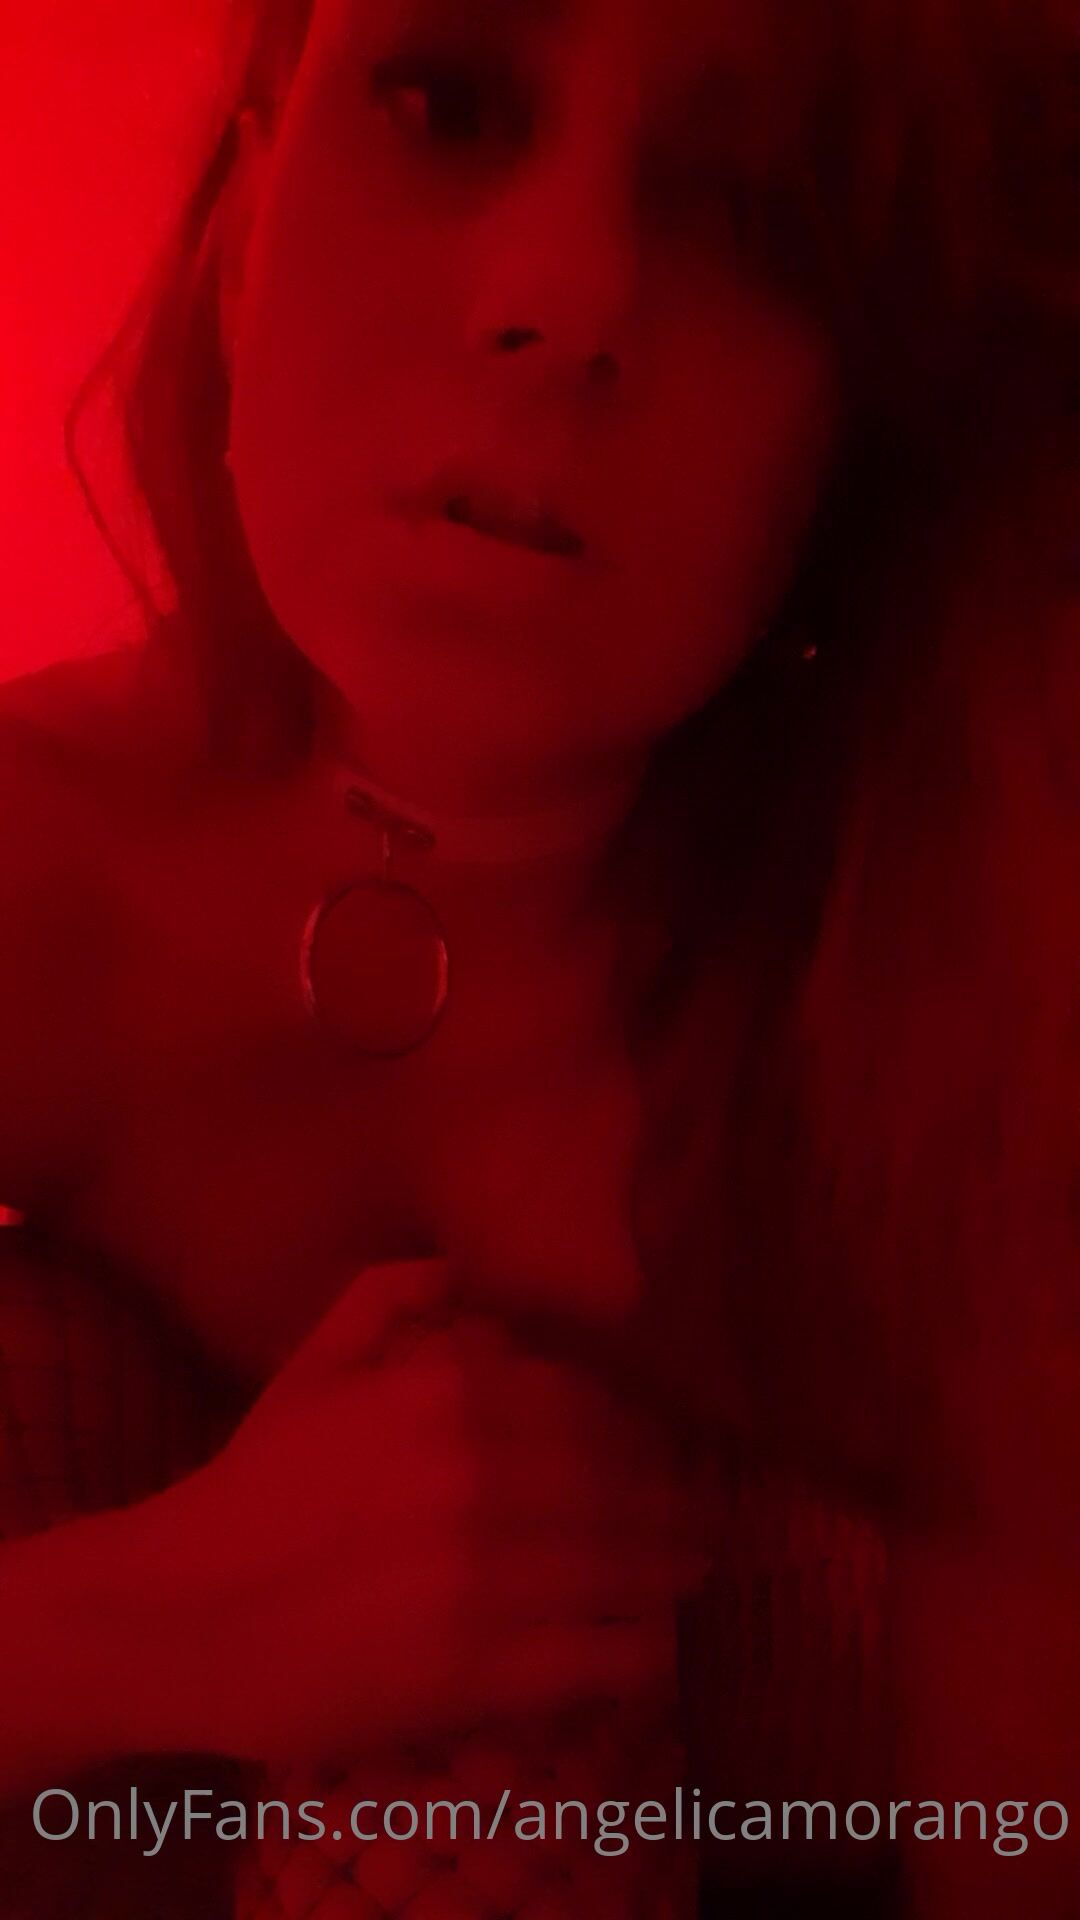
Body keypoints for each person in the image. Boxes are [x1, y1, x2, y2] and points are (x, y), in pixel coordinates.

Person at [0, 0, 1075, 1915]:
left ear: (855, 420)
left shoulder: (965, 1004)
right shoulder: (39, 862)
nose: (570, 293)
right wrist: (143, 1624)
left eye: (754, 204)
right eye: (445, 98)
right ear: (243, 216)